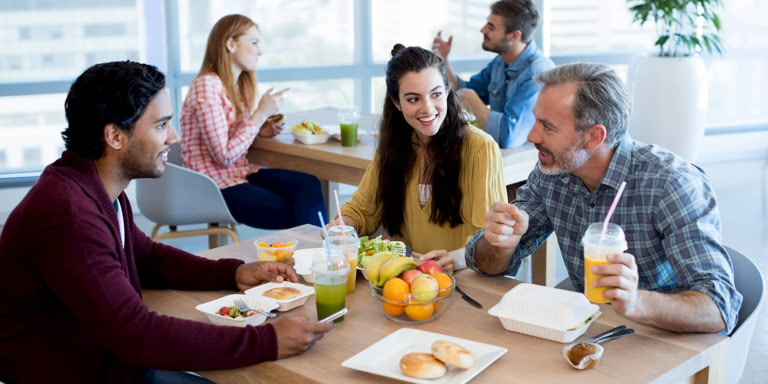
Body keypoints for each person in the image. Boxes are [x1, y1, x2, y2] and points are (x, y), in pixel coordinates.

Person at [0, 61, 332, 383]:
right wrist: (266, 341)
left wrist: (232, 272)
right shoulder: (69, 216)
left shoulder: (95, 188)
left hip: (108, 365)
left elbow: (148, 258)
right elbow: (137, 334)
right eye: (161, 125)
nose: (173, 138)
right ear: (115, 136)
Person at [465, 62, 742, 334]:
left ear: (594, 136)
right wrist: (501, 244)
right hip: (592, 327)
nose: (531, 135)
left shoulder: (672, 184)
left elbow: (719, 307)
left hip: (662, 338)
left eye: (547, 127)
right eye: (535, 119)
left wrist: (638, 302)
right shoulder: (553, 171)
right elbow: (486, 266)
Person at [329, 44, 507, 273]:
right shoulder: (393, 148)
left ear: (447, 91)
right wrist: (343, 226)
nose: (428, 108)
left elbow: (490, 238)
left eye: (436, 94)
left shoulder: (481, 148)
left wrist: (457, 259)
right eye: (413, 99)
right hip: (409, 279)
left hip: (465, 281)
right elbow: (363, 210)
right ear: (396, 103)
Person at [181, 14, 327, 229]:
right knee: (294, 211)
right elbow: (224, 156)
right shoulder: (206, 86)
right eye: (254, 42)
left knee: (310, 185)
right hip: (215, 186)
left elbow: (227, 135)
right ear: (230, 44)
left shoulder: (235, 86)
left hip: (240, 174)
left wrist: (259, 129)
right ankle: (316, 257)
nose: (260, 51)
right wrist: (259, 115)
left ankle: (315, 255)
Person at [432, 0, 555, 149]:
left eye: (491, 27)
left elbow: (508, 137)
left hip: (527, 161)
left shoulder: (537, 73)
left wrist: (472, 100)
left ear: (514, 36)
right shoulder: (500, 62)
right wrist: (443, 59)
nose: (482, 30)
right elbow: (462, 90)